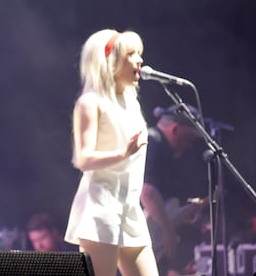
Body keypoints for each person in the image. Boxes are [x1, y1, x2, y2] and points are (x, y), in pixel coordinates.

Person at [64, 29, 158, 276]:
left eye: (140, 53)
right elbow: (83, 159)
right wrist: (122, 153)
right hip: (101, 209)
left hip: (130, 208)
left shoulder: (131, 102)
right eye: (131, 54)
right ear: (110, 62)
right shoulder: (90, 102)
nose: (139, 60)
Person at [141, 104, 207, 276]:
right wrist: (168, 232)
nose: (190, 145)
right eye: (189, 139)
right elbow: (147, 193)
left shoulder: (162, 150)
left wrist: (180, 216)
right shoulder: (152, 142)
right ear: (176, 129)